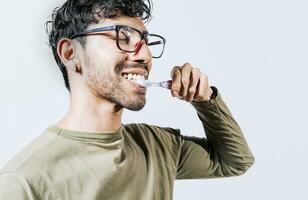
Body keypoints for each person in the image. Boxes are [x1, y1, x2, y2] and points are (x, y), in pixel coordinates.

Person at [0, 0, 254, 199]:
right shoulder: (22, 182)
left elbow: (233, 161)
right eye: (123, 36)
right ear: (71, 53)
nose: (144, 54)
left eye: (144, 41)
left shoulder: (158, 146)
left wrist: (204, 99)